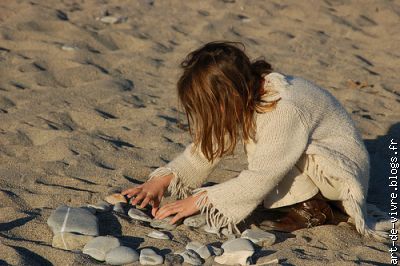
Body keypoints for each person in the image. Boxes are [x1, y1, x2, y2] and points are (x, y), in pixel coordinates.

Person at [122, 41, 382, 240]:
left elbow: (262, 176)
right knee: (265, 147)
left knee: (267, 153)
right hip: (318, 163)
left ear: (229, 95)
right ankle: (306, 199)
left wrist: (200, 200)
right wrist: (162, 180)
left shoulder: (283, 108)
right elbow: (208, 149)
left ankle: (313, 208)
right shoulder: (249, 91)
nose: (206, 115)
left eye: (210, 108)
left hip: (341, 175)